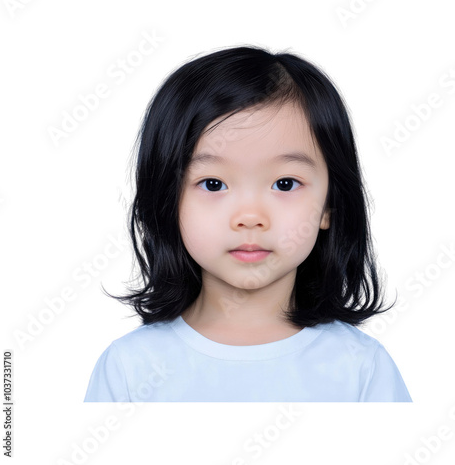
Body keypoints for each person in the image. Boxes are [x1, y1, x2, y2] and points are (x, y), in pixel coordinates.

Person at [84, 45, 412, 402]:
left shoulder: (360, 368)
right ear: (167, 200)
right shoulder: (131, 368)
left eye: (285, 184)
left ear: (329, 205)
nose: (250, 217)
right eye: (213, 184)